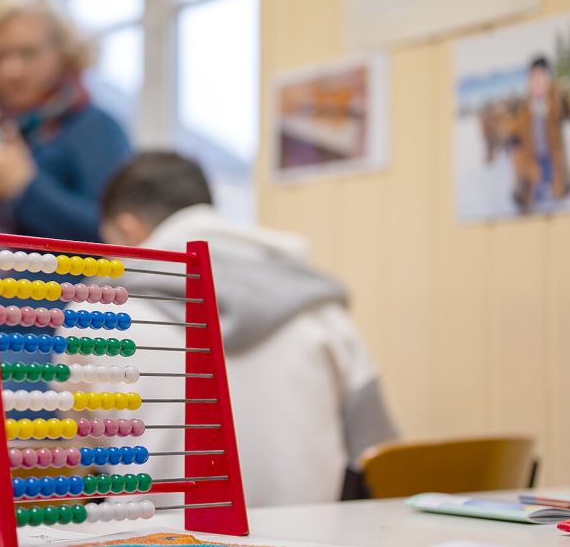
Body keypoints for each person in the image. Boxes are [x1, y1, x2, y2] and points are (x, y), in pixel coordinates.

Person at [54, 151, 398, 506]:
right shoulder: (322, 313)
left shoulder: (94, 317)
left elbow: (80, 464)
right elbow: (380, 455)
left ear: (128, 230)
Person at [0, 0, 131, 242]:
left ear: (64, 54)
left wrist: (25, 188)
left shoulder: (97, 128)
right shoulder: (19, 131)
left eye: (28, 52)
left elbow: (115, 234)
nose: (11, 71)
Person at [511, 55, 570, 212]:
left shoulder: (557, 101)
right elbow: (515, 126)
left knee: (556, 194)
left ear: (549, 80)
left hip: (553, 159)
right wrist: (512, 137)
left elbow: (567, 109)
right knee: (533, 194)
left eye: (541, 76)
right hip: (533, 161)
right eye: (533, 77)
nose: (537, 81)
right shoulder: (524, 106)